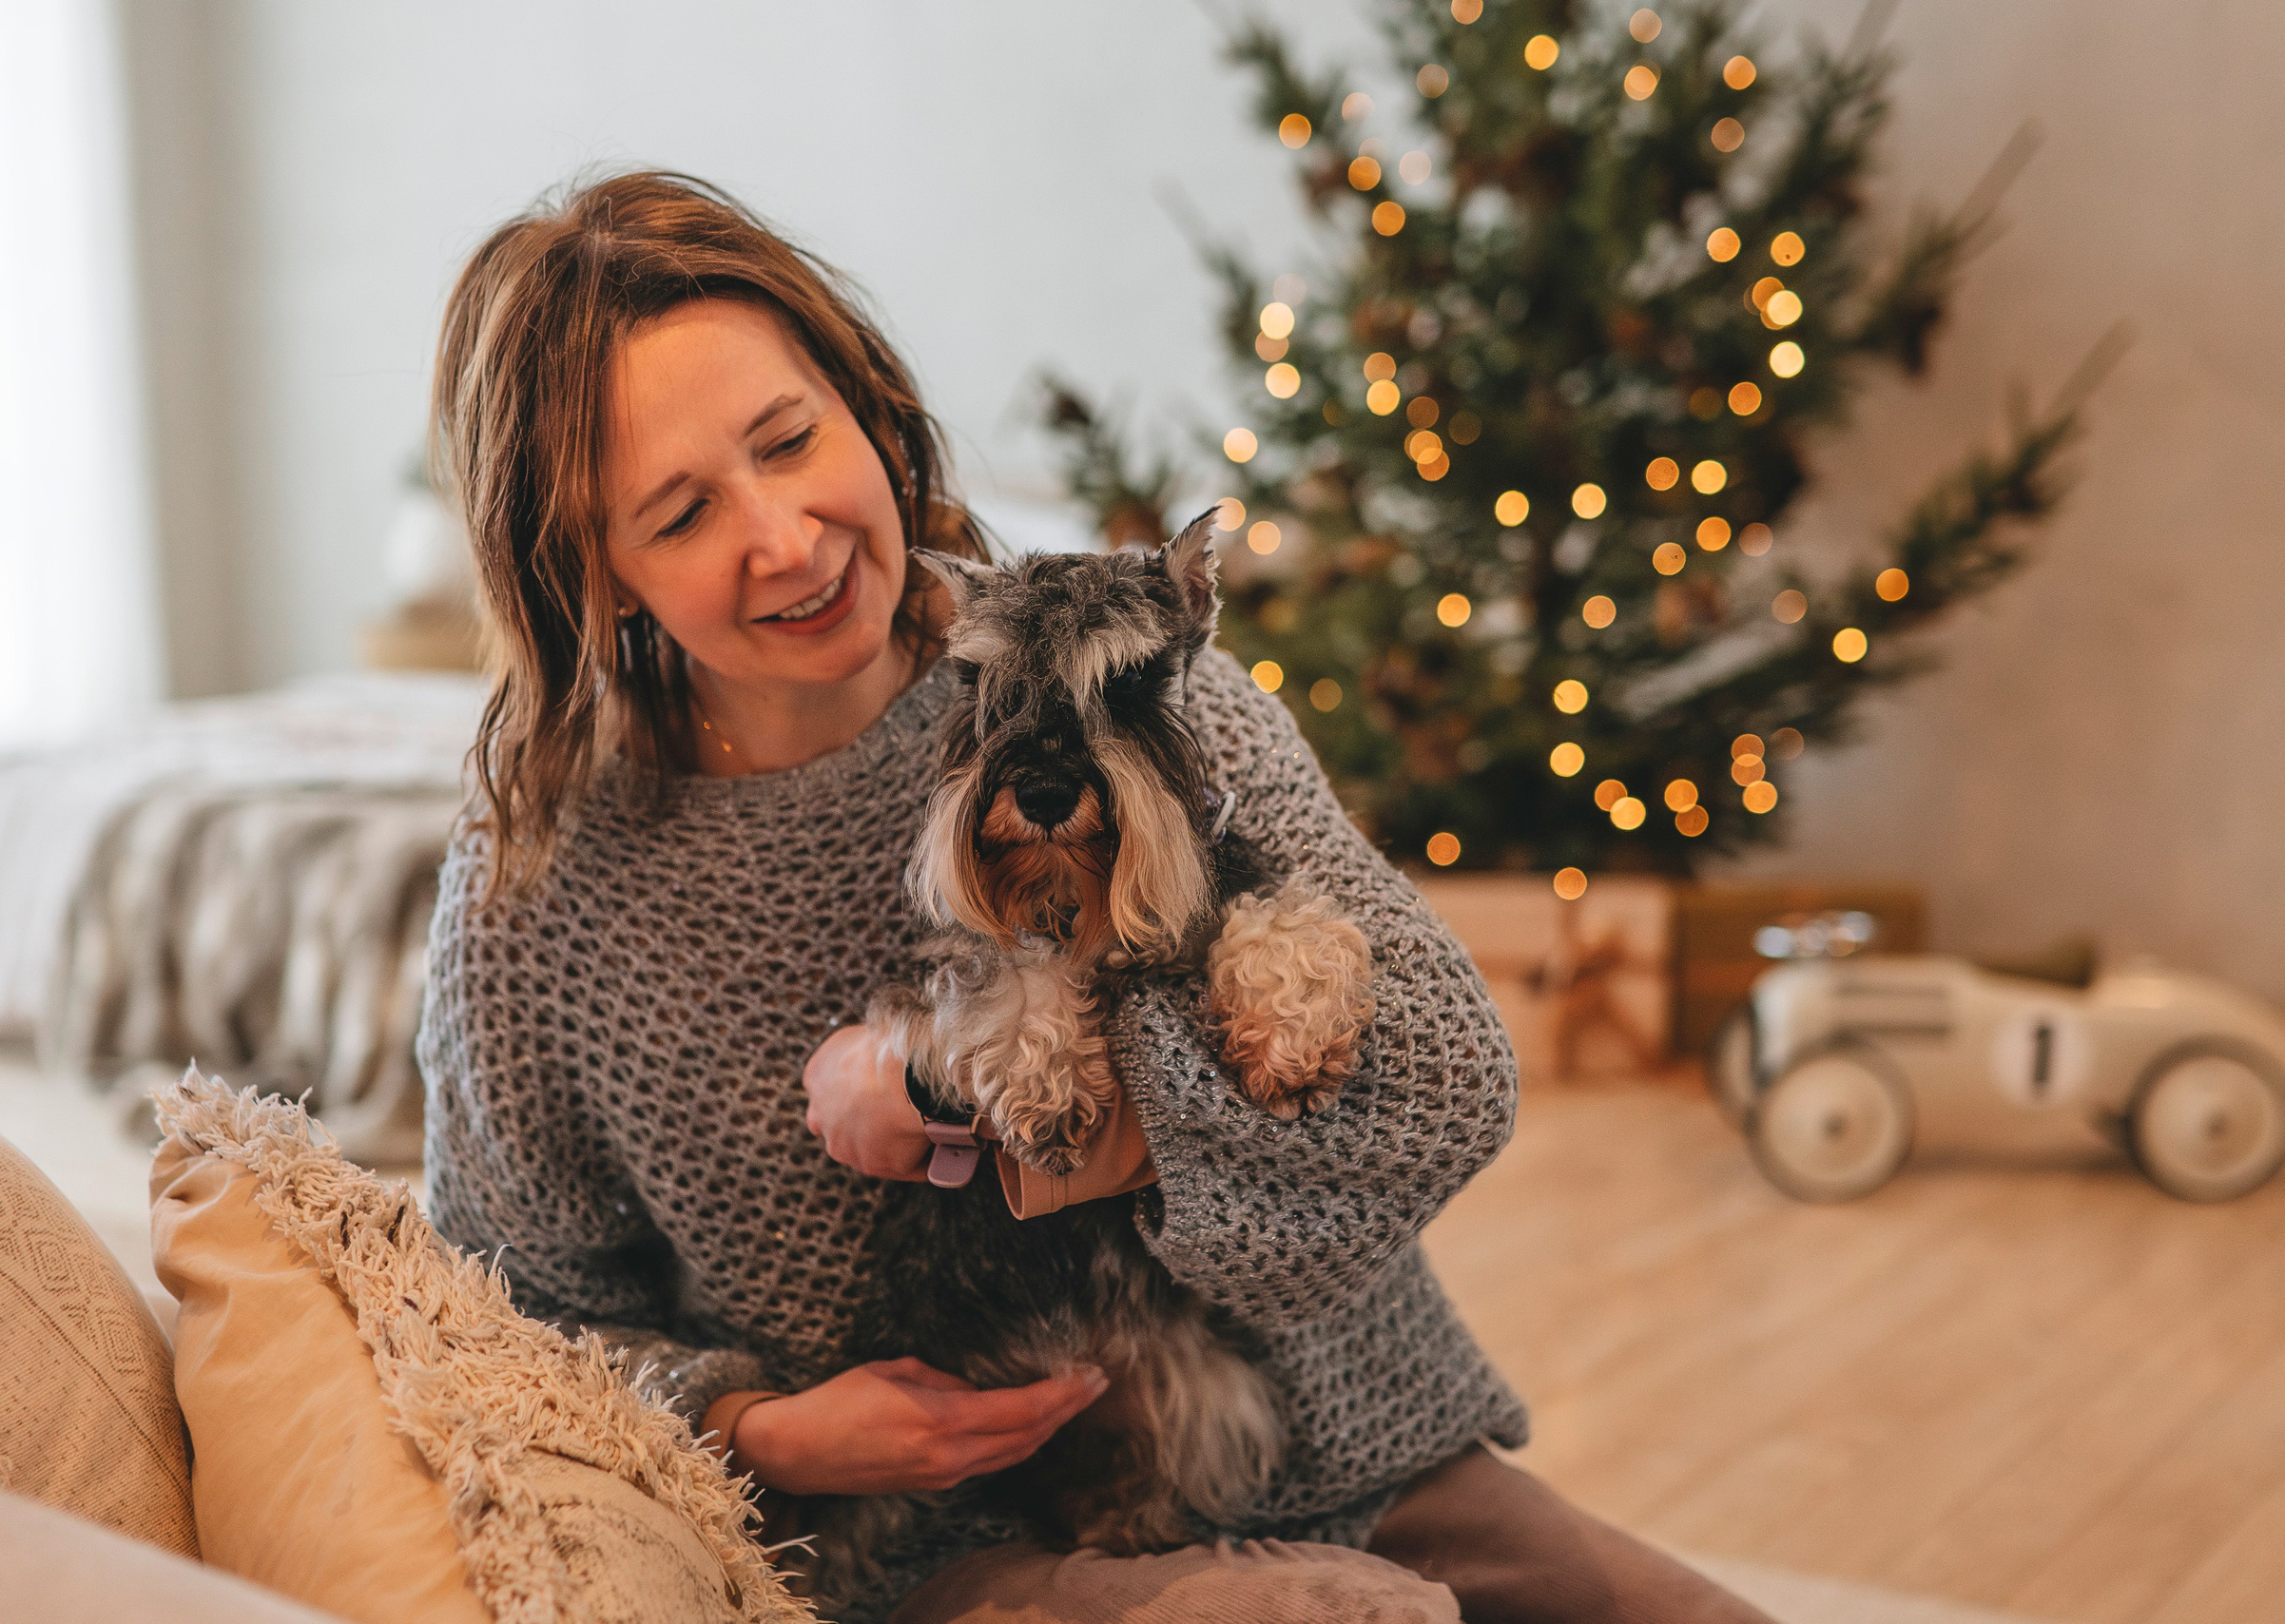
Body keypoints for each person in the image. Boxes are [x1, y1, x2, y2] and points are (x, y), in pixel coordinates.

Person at [418, 169, 1773, 1624]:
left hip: (1349, 1449)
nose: (787, 539)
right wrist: (767, 1432)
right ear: (595, 574)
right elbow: (503, 1312)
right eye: (682, 514)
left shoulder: (1128, 686)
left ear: (868, 408)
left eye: (791, 440)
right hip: (938, 1550)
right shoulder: (538, 896)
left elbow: (1445, 1083)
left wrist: (963, 1096)